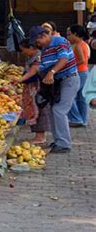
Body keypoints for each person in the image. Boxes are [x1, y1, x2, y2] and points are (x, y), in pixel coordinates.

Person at [30, 26, 79, 154]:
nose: (37, 44)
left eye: (37, 41)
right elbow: (43, 67)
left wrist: (52, 72)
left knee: (59, 110)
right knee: (53, 110)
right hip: (58, 83)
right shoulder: (46, 49)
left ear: (43, 36)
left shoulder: (59, 41)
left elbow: (64, 58)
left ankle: (64, 143)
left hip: (69, 79)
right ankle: (58, 140)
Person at [15, 39, 50, 144]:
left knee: (38, 110)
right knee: (33, 109)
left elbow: (33, 71)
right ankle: (38, 135)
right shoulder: (32, 56)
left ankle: (40, 136)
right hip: (31, 87)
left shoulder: (38, 57)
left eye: (23, 49)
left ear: (31, 48)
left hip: (37, 87)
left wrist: (19, 80)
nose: (22, 52)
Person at [67, 24, 90, 127]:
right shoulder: (84, 44)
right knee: (81, 98)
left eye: (70, 34)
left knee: (69, 96)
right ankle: (82, 119)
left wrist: (70, 64)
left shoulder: (79, 45)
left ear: (75, 34)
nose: (68, 37)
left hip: (79, 73)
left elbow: (82, 60)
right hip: (84, 72)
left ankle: (76, 119)